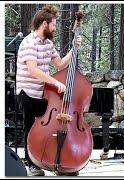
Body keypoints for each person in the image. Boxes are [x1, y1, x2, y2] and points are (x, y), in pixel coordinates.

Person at [16, 5, 82, 176]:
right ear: (44, 24)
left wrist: (74, 48)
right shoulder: (29, 42)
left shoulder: (48, 44)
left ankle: (52, 161)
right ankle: (32, 164)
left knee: (46, 127)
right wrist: (55, 82)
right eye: (53, 24)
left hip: (42, 92)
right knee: (30, 127)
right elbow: (33, 70)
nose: (55, 28)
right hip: (27, 92)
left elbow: (60, 64)